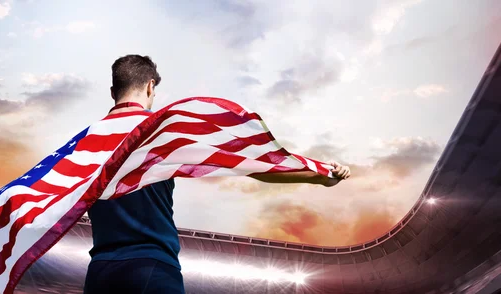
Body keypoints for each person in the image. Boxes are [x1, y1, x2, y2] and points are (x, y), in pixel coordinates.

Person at [83, 55, 351, 294]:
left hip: (100, 272)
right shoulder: (160, 132)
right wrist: (320, 174)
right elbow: (254, 165)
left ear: (112, 91)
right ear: (151, 86)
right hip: (152, 267)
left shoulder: (85, 142)